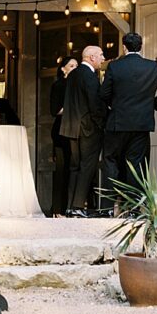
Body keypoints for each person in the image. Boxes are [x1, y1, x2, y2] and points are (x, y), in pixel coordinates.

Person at [99, 30, 157, 206]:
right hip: (141, 124)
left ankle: (107, 207)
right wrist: (152, 105)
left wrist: (114, 105)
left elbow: (103, 93)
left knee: (111, 162)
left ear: (124, 47)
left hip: (117, 123)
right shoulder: (152, 66)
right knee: (136, 165)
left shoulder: (114, 66)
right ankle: (133, 207)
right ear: (141, 47)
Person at [60, 43, 106, 216]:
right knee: (87, 166)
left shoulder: (73, 74)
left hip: (71, 128)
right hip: (87, 128)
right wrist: (101, 123)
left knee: (75, 167)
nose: (103, 58)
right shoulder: (89, 75)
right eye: (101, 55)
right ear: (92, 57)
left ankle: (70, 207)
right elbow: (94, 103)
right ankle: (78, 206)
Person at [48, 56, 78, 216]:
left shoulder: (77, 84)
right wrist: (74, 108)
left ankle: (70, 207)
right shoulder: (59, 85)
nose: (75, 68)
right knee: (62, 169)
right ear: (63, 69)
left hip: (75, 130)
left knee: (73, 169)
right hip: (61, 130)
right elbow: (54, 110)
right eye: (71, 66)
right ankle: (58, 209)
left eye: (76, 65)